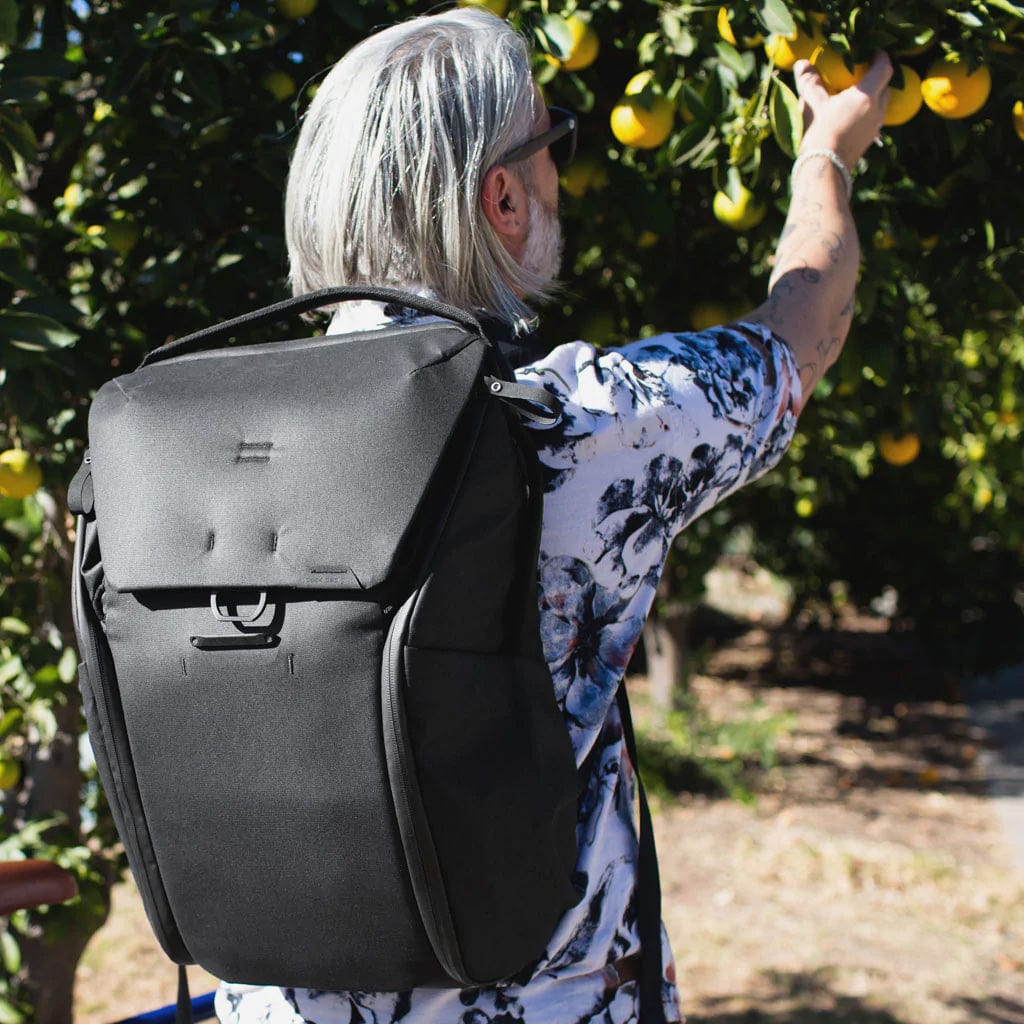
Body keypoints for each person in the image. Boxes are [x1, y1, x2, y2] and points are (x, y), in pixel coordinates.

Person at [215, 9, 891, 1024]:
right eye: (552, 145)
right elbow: (804, 328)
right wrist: (825, 154)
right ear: (501, 196)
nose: (559, 178)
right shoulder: (571, 427)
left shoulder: (210, 441)